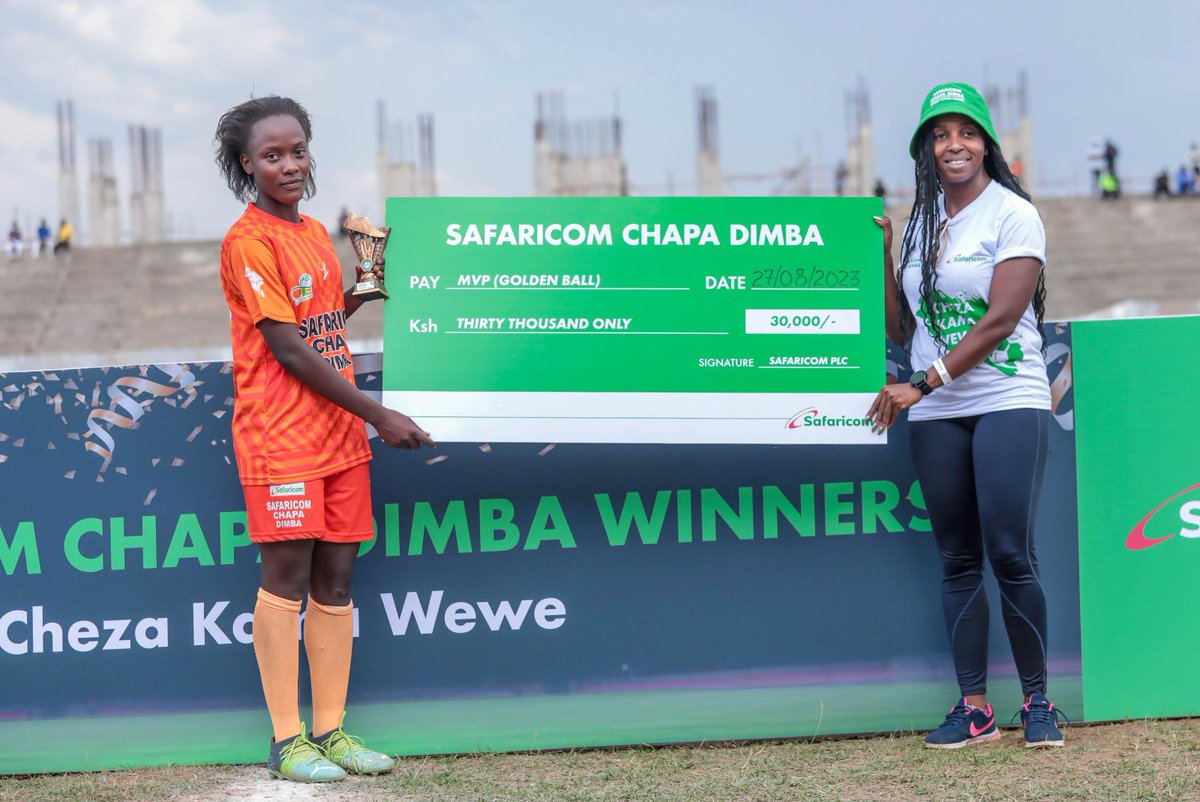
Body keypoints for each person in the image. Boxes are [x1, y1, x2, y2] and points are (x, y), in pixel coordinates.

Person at [213, 96, 436, 783]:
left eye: (297, 151)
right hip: (281, 438)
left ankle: (331, 730)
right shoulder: (247, 240)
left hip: (337, 438)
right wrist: (379, 414)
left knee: (335, 581)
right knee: (285, 580)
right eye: (272, 155)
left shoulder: (313, 231)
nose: (288, 164)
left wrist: (367, 285)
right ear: (247, 164)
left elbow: (319, 326)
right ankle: (287, 740)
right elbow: (287, 349)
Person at [869, 82, 1066, 749]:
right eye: (941, 133)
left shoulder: (1013, 214)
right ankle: (975, 709)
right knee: (957, 559)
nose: (954, 145)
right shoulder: (923, 223)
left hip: (1005, 398)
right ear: (926, 148)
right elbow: (903, 327)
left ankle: (1039, 703)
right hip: (937, 408)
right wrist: (882, 255)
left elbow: (1002, 319)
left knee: (1011, 554)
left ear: (986, 144)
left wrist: (921, 385)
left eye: (967, 132)